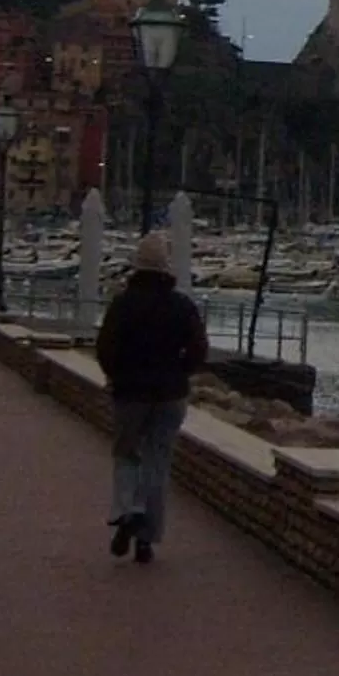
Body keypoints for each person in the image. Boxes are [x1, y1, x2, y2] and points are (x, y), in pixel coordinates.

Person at [95, 230, 208, 565]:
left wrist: (116, 376)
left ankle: (128, 509)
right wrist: (181, 371)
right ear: (166, 267)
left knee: (127, 453)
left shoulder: (123, 304)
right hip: (170, 393)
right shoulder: (181, 306)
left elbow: (106, 348)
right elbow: (199, 348)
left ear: (136, 265)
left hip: (130, 393)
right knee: (158, 461)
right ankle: (146, 538)